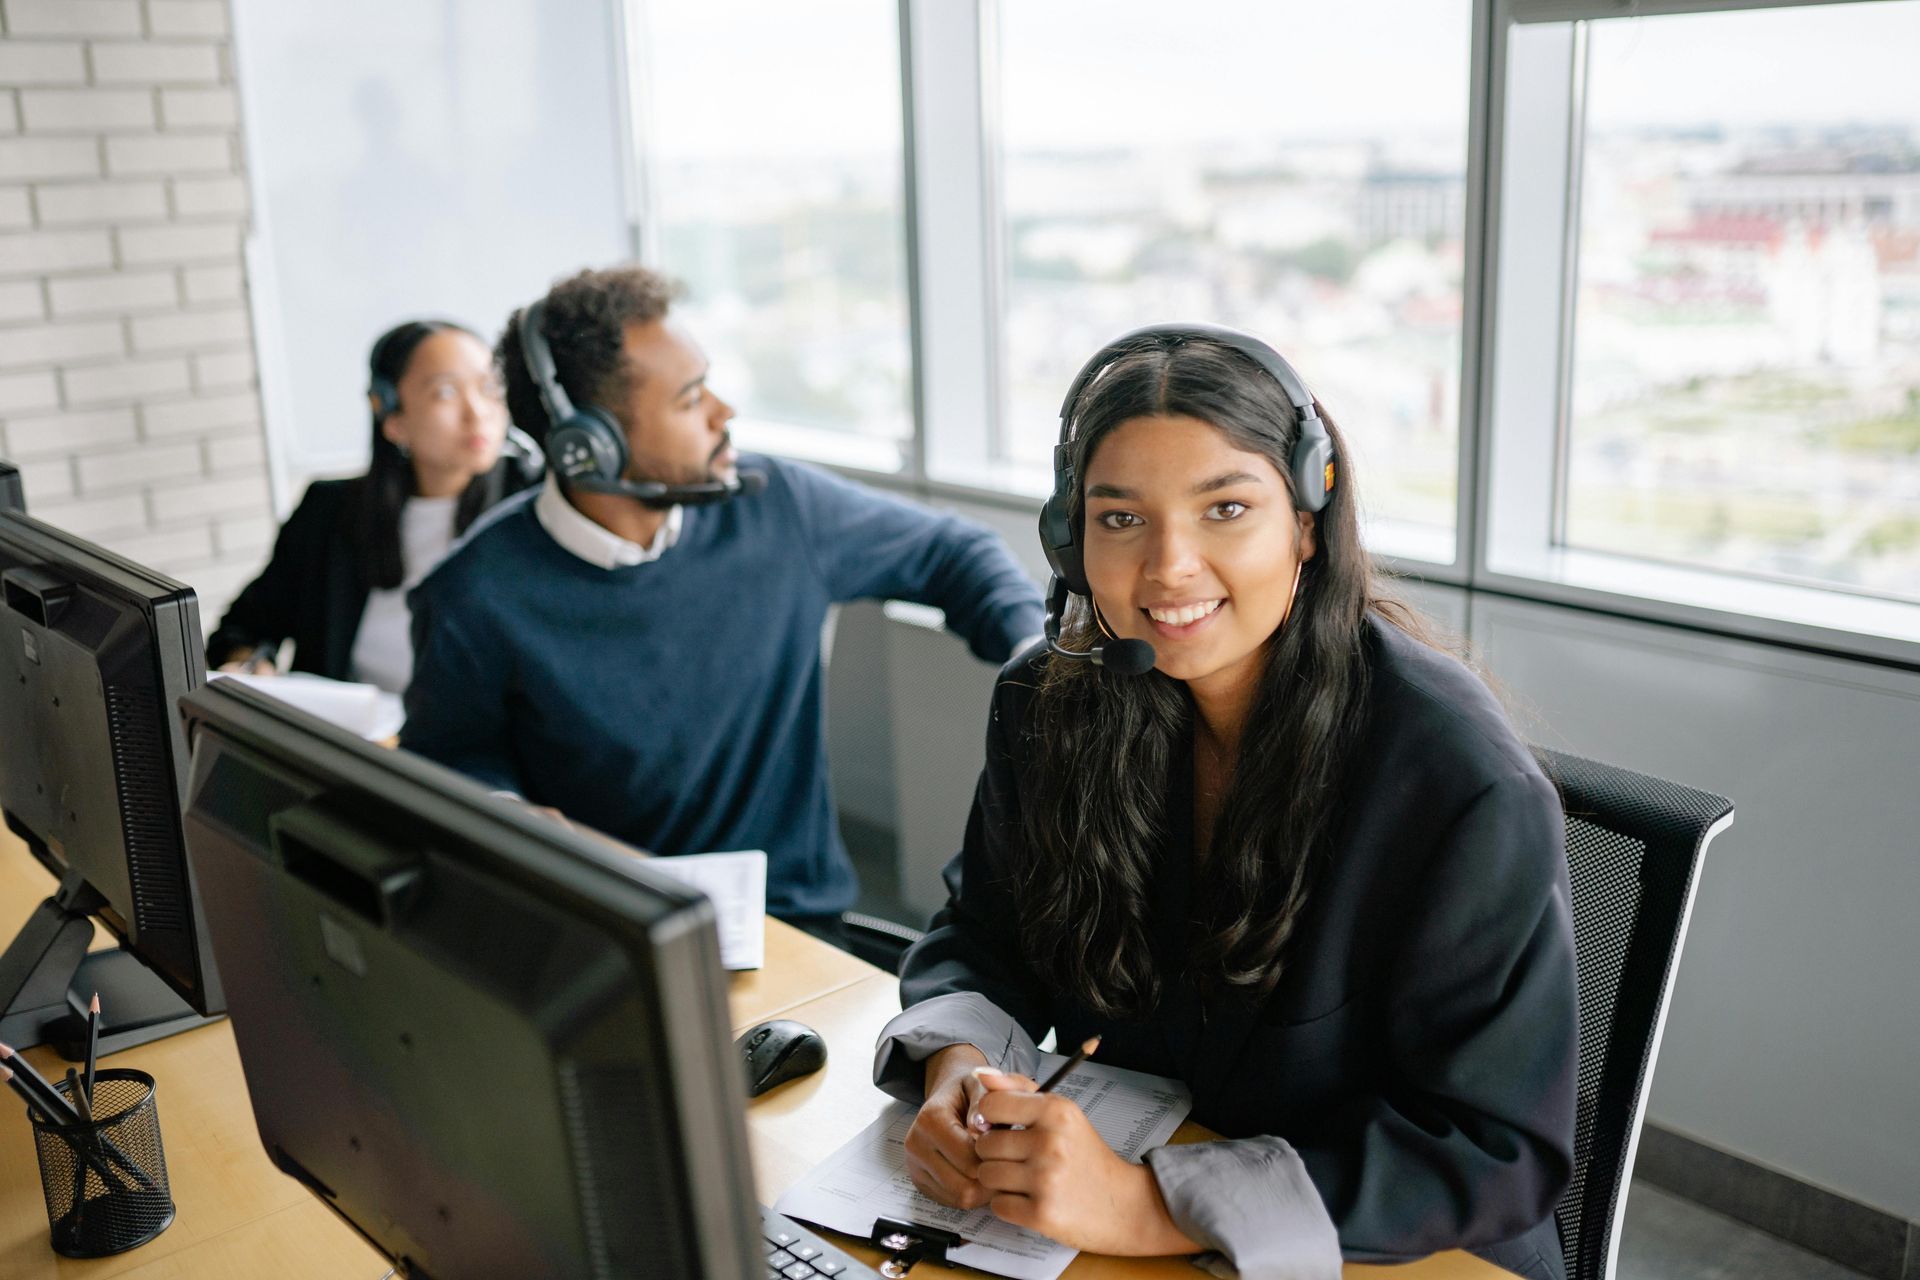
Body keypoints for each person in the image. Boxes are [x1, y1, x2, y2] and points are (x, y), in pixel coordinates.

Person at [874, 327, 1577, 1280]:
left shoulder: (1456, 781)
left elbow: (1492, 1153)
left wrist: (1150, 1201)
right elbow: (985, 933)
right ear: (1069, 542)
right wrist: (957, 1069)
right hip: (1121, 1213)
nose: (1168, 568)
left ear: (1308, 524)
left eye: (1226, 509)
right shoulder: (1051, 703)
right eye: (1120, 519)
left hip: (1389, 1253)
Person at [399, 265, 1045, 929]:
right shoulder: (472, 595)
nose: (724, 413)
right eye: (689, 399)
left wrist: (1035, 657)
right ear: (589, 447)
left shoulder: (779, 505)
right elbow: (448, 757)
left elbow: (955, 551)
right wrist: (505, 813)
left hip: (797, 924)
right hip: (608, 933)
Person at [207, 319, 534, 693]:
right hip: (353, 742)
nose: (478, 413)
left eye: (489, 387)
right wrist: (250, 664)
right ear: (391, 415)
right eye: (445, 392)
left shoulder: (536, 509)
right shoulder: (329, 512)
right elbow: (242, 630)